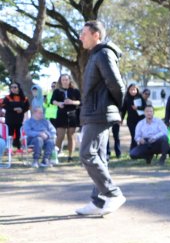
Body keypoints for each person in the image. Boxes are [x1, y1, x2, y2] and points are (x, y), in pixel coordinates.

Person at [75, 20, 126, 216]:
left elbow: (117, 85)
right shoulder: (95, 55)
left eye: (84, 34)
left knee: (87, 154)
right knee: (99, 158)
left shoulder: (103, 54)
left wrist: (113, 109)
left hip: (99, 113)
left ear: (96, 35)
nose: (81, 37)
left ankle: (113, 194)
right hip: (94, 113)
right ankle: (98, 202)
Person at [50, 73, 81, 162]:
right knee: (60, 135)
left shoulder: (75, 90)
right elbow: (53, 101)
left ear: (69, 80)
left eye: (66, 80)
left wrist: (72, 102)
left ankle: (70, 156)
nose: (65, 81)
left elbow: (80, 102)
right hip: (61, 115)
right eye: (63, 80)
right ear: (60, 81)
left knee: (71, 136)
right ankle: (55, 155)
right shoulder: (57, 91)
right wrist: (59, 104)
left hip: (72, 115)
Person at [2, 81, 29, 149]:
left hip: (19, 120)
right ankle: (8, 149)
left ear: (18, 88)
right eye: (11, 87)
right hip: (10, 120)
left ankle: (18, 148)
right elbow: (4, 105)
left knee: (18, 135)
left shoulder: (24, 98)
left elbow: (27, 107)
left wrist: (22, 110)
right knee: (9, 135)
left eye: (15, 87)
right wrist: (13, 109)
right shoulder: (7, 97)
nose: (13, 88)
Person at [120, 83, 147, 150]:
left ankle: (137, 150)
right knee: (134, 135)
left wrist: (137, 108)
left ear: (137, 90)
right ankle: (133, 150)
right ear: (128, 90)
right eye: (131, 90)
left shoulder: (140, 97)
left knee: (140, 135)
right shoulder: (126, 99)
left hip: (140, 120)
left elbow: (145, 107)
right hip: (131, 121)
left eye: (134, 89)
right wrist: (121, 119)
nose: (133, 91)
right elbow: (124, 110)